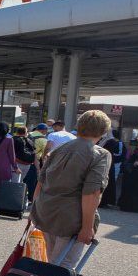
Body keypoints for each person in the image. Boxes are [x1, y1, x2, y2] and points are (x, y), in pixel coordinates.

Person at [30, 110, 112, 267]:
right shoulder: (100, 154)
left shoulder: (59, 149)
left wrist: (35, 211)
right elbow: (92, 193)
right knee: (63, 267)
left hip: (45, 211)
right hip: (71, 218)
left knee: (50, 262)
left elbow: (41, 182)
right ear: (103, 132)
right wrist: (87, 227)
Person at [99, 130, 124, 208]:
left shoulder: (113, 142)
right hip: (104, 164)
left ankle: (105, 201)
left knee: (108, 183)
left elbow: (118, 154)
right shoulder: (104, 140)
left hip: (110, 164)